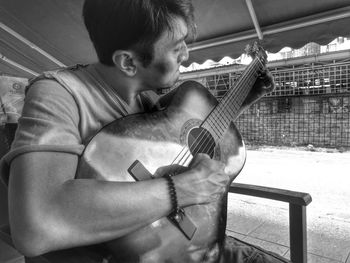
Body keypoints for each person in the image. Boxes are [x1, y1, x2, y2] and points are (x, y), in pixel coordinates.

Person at [0, 0, 289, 262]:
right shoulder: (58, 94)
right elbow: (34, 227)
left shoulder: (148, 98)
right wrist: (182, 189)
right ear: (128, 62)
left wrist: (238, 102)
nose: (186, 55)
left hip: (194, 248)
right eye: (177, 48)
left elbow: (187, 142)